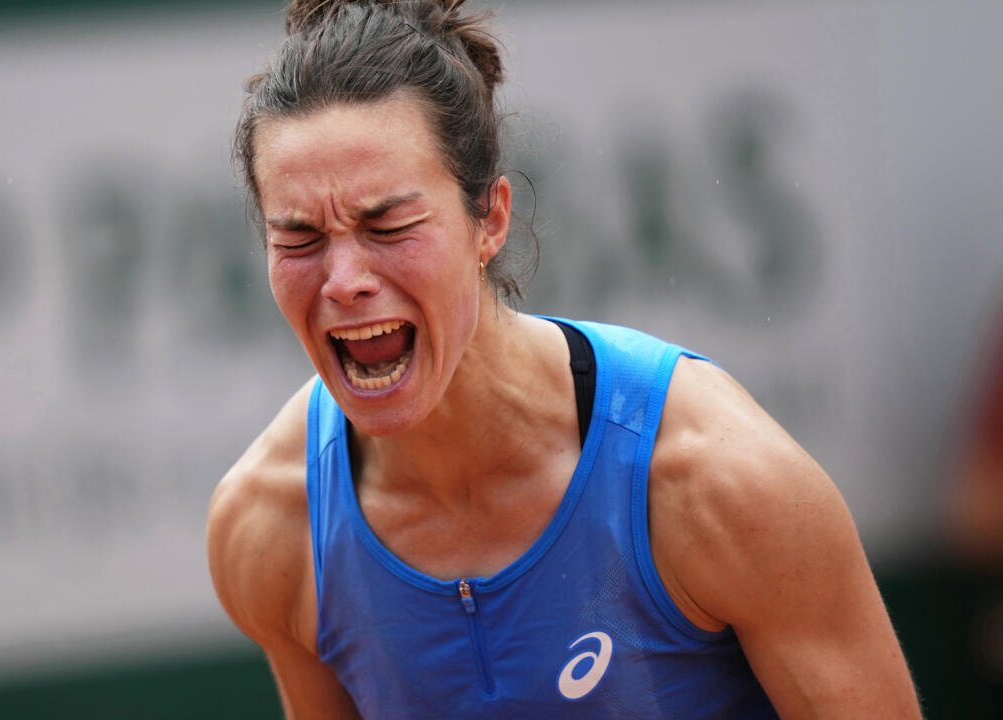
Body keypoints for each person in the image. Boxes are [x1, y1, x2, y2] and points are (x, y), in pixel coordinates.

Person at [207, 1, 921, 717]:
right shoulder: (269, 525)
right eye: (299, 239)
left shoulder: (720, 481)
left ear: (490, 219)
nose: (343, 281)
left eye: (388, 225)